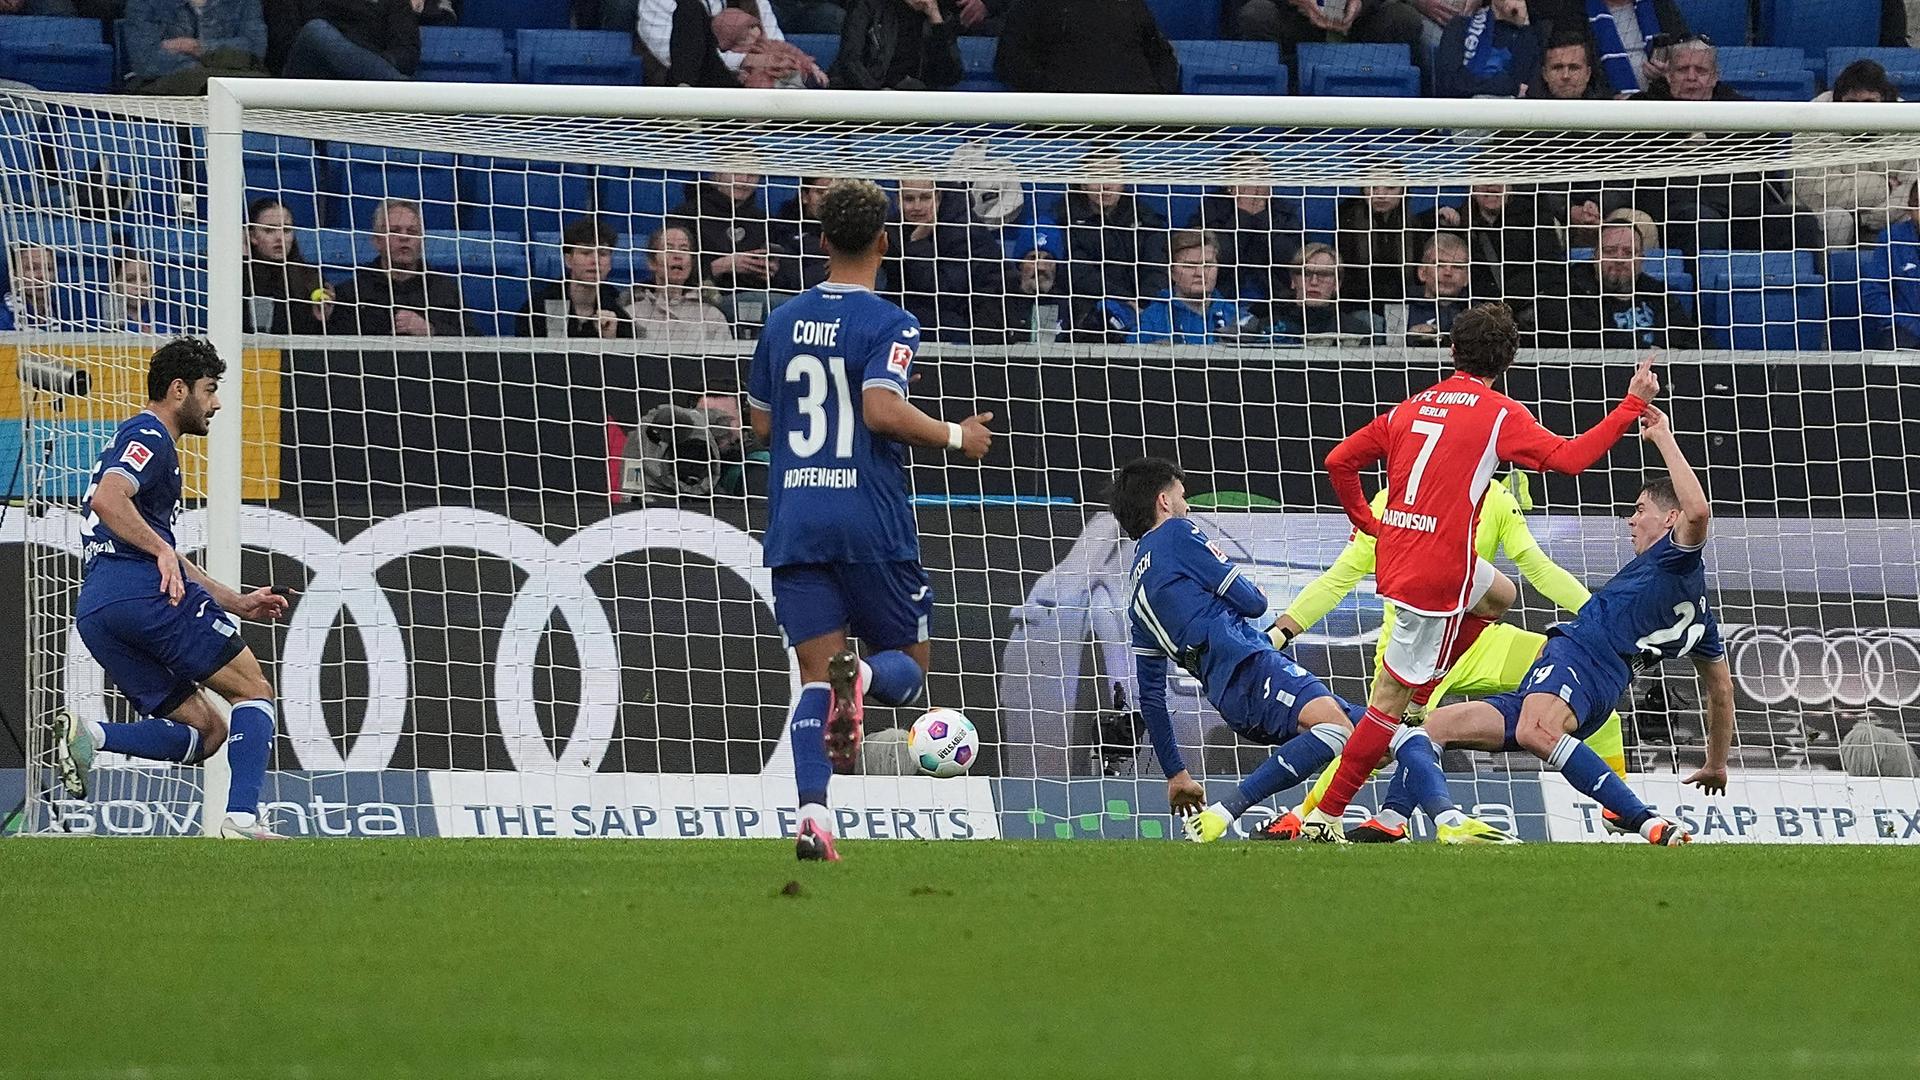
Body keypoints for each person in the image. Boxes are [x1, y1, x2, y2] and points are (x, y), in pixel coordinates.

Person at [1299, 302, 1659, 841]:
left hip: (1413, 558)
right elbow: (1570, 460)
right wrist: (1631, 404)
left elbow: (1338, 461)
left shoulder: (1412, 406)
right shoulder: (1498, 413)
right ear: (1509, 360)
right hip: (1434, 579)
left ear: (1451, 351)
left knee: (1499, 592)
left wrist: (1369, 523)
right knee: (1386, 709)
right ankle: (1324, 817)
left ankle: (1425, 689)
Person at [745, 179, 994, 861]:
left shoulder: (780, 320)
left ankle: (813, 816)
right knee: (906, 672)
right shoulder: (891, 322)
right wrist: (956, 435)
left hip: (797, 520)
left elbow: (762, 426)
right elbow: (882, 410)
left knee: (814, 682)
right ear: (885, 241)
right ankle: (862, 680)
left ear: (823, 240)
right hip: (870, 519)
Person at [1389, 406, 1733, 846]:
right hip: (1590, 681)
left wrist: (1663, 436)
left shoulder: (1674, 558)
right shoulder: (1701, 618)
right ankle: (1390, 821)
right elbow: (1721, 690)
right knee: (1433, 727)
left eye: (1640, 509)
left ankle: (1640, 817)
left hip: (1582, 661)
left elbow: (1698, 512)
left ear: (1671, 519)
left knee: (1536, 731)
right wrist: (1716, 763)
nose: (1630, 519)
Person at [1262, 471, 1631, 843]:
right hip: (1413, 649)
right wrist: (1281, 631)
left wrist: (1598, 620)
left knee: (1585, 690)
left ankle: (1618, 809)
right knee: (1379, 746)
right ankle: (1305, 816)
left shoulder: (1495, 497)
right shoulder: (1390, 503)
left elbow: (1537, 566)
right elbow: (1339, 577)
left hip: (1478, 641)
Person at [50, 339, 293, 840]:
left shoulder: (143, 442)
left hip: (98, 611)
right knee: (253, 690)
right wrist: (160, 551)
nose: (216, 403)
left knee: (209, 732)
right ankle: (242, 818)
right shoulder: (149, 434)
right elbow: (108, 499)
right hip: (145, 594)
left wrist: (236, 602)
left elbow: (158, 545)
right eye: (210, 390)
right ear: (179, 390)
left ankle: (92, 736)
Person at [1107, 457, 1387, 845]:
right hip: (1251, 665)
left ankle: (1409, 819)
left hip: (1230, 697)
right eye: (1182, 496)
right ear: (1164, 501)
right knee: (1336, 729)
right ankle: (1228, 812)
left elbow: (1151, 697)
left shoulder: (1137, 599)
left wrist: (1176, 773)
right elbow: (1253, 602)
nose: (1187, 506)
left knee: (1385, 736)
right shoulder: (1176, 533)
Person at [1796, 61, 1915, 248]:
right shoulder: (1812, 119)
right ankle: (1829, 267)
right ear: (1838, 100)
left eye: (1869, 102)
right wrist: (1883, 186)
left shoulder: (1910, 120)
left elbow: (1912, 193)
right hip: (1824, 210)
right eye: (1852, 103)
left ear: (1885, 99)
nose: (1860, 111)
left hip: (1888, 215)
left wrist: (1865, 219)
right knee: (1836, 221)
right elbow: (1815, 191)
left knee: (1911, 217)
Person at [1531, 220, 1701, 349]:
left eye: (1628, 252)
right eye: (1610, 251)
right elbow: (1583, 336)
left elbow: (1694, 339)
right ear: (1595, 256)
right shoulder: (1568, 290)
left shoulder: (1657, 293)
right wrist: (1645, 351)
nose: (1619, 259)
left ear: (1641, 259)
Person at [326, 199, 469, 336]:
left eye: (412, 231)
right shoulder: (352, 293)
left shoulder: (445, 291)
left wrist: (431, 330)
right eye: (394, 231)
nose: (404, 237)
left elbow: (472, 339)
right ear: (377, 241)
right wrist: (323, 319)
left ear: (422, 241)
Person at [885, 177, 1001, 341]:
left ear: (938, 197)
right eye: (909, 199)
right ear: (898, 201)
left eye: (925, 198)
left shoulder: (965, 231)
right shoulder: (892, 228)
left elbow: (944, 294)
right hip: (928, 311)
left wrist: (918, 244)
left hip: (974, 319)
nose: (917, 207)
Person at [994, 0, 1180, 94]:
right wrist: (1055, 96)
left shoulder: (1130, 4)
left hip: (1138, 121)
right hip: (1064, 126)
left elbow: (1162, 57)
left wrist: (1155, 95)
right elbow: (1010, 61)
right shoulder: (1033, 5)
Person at [1128, 230, 1260, 345]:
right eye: (1189, 266)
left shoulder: (1237, 317)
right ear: (1171, 271)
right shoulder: (1151, 320)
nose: (1200, 273)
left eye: (1207, 265)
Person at [1194, 172, 1304, 309]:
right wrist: (1243, 217)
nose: (1255, 185)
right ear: (1230, 186)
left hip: (1278, 301)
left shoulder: (1285, 214)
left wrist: (1262, 218)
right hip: (1221, 299)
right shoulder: (1210, 212)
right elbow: (1219, 257)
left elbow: (1293, 259)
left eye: (1261, 176)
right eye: (1247, 176)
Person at [1234, 0, 1424, 74]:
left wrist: (1361, 4)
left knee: (1403, 17)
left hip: (1361, 26)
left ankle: (1389, 111)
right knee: (1256, 15)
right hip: (1295, 24)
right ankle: (1275, 110)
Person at [522, 216, 633, 340]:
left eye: (603, 254)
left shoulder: (620, 309)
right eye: (586, 253)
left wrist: (610, 338)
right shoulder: (538, 308)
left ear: (610, 263)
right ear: (568, 260)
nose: (595, 261)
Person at [123, 0, 268, 94]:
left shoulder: (244, 3)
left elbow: (255, 49)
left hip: (234, 88)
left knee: (262, 88)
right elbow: (145, 61)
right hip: (166, 95)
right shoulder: (145, 3)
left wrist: (196, 47)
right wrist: (218, 60)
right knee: (202, 83)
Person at [627, 222, 734, 346]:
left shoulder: (711, 316)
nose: (678, 256)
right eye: (669, 249)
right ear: (652, 262)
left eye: (684, 250)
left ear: (692, 262)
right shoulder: (632, 314)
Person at [829, 0, 962, 90]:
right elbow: (850, 61)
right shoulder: (867, 4)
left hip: (916, 105)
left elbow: (950, 76)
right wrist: (879, 95)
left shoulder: (940, 14)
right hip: (868, 102)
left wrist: (936, 19)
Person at [243, 197, 328, 335]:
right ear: (251, 236)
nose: (279, 238)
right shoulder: (237, 278)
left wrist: (324, 318)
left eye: (286, 230)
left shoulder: (310, 278)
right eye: (269, 230)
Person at [1269, 242, 1383, 344]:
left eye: (1324, 274)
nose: (1314, 282)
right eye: (1306, 274)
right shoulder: (1269, 328)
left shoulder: (1356, 332)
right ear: (1293, 280)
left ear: (1337, 284)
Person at [281, 0, 420, 81]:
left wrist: (366, 62)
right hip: (311, 77)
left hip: (365, 86)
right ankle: (410, 95)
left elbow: (407, 55)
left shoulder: (394, 3)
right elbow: (284, 46)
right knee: (315, 31)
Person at [1434, 0, 1540, 99]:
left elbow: (1522, 86)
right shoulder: (1460, 25)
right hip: (1460, 108)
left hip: (1507, 109)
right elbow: (1451, 82)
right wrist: (1505, 87)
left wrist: (1523, 23)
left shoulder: (1528, 36)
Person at [1336, 185, 1412, 308]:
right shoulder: (1347, 222)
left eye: (1390, 187)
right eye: (1373, 187)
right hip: (1355, 306)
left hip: (1405, 304)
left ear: (1404, 190)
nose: (1380, 194)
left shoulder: (1414, 224)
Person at [1404, 231, 1472, 344]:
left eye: (1457, 266)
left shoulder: (1480, 315)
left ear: (1467, 277)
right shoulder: (1399, 312)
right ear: (1422, 272)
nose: (1448, 273)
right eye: (1439, 265)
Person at [102, 254, 174, 334]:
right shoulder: (105, 322)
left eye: (145, 279)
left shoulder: (163, 318)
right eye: (130, 279)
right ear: (113, 285)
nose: (139, 286)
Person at [1526, 29, 1604, 98]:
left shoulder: (1607, 109)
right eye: (1557, 68)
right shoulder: (1523, 108)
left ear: (1588, 74)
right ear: (1545, 74)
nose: (1565, 76)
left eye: (1574, 68)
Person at [3, 244, 64, 331]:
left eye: (49, 268)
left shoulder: (58, 313)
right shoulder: (5, 316)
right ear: (14, 274)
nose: (43, 276)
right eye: (32, 268)